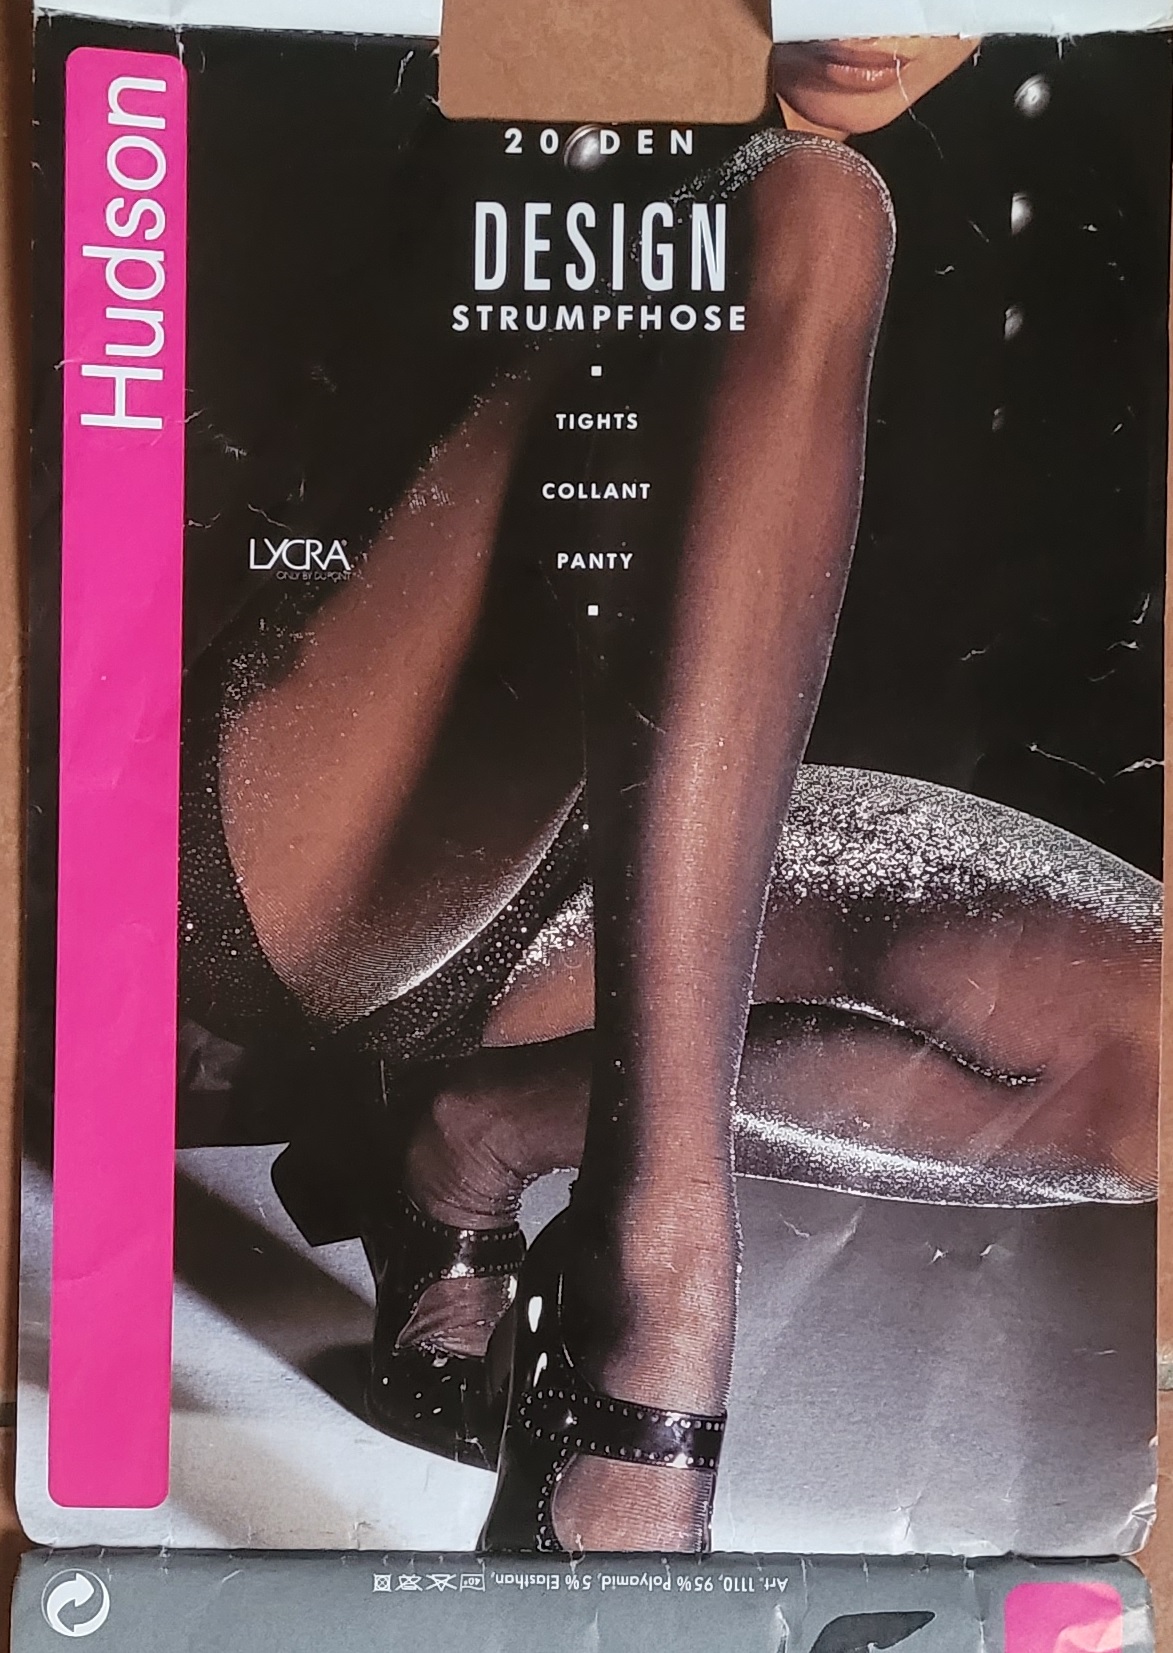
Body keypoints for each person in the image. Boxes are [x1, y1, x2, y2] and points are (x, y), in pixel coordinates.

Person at [178, 36, 1160, 1553]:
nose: (877, 13)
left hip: (639, 879)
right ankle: (657, 1278)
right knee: (807, 209)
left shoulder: (1066, 171)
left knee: (1155, 1064)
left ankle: (476, 1136)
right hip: (312, 832)